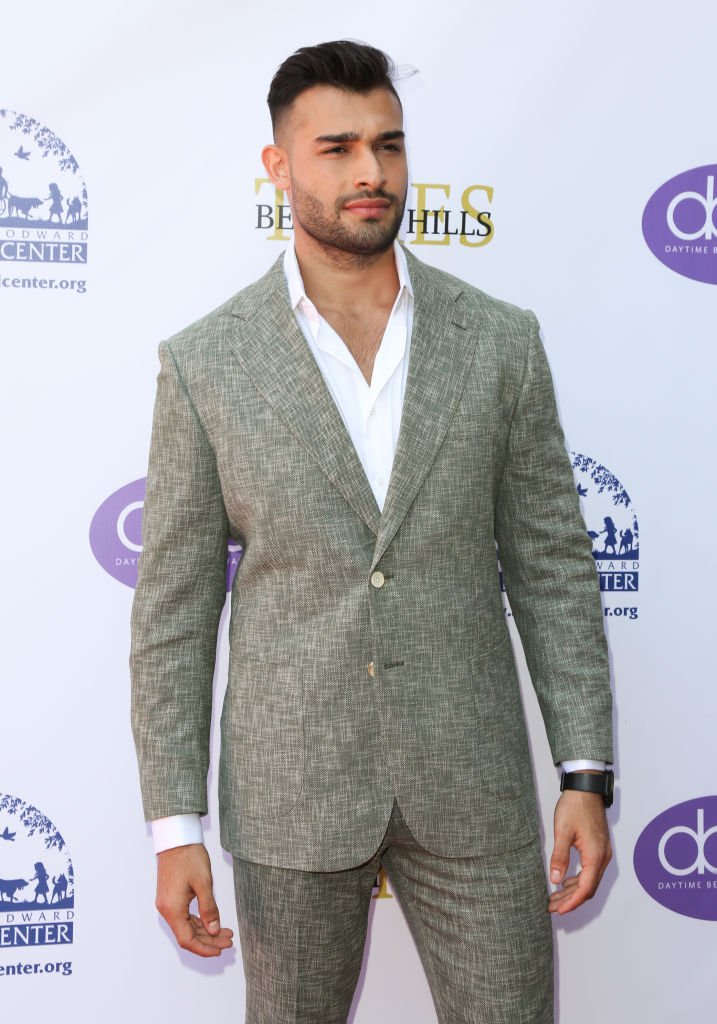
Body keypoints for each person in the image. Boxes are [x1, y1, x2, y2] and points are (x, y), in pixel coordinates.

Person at [130, 40, 614, 1024]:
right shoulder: (205, 364)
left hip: (471, 781)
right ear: (278, 166)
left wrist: (586, 772)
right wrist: (175, 825)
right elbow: (174, 617)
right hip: (290, 789)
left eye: (388, 146)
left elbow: (555, 567)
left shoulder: (500, 342)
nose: (370, 173)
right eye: (338, 146)